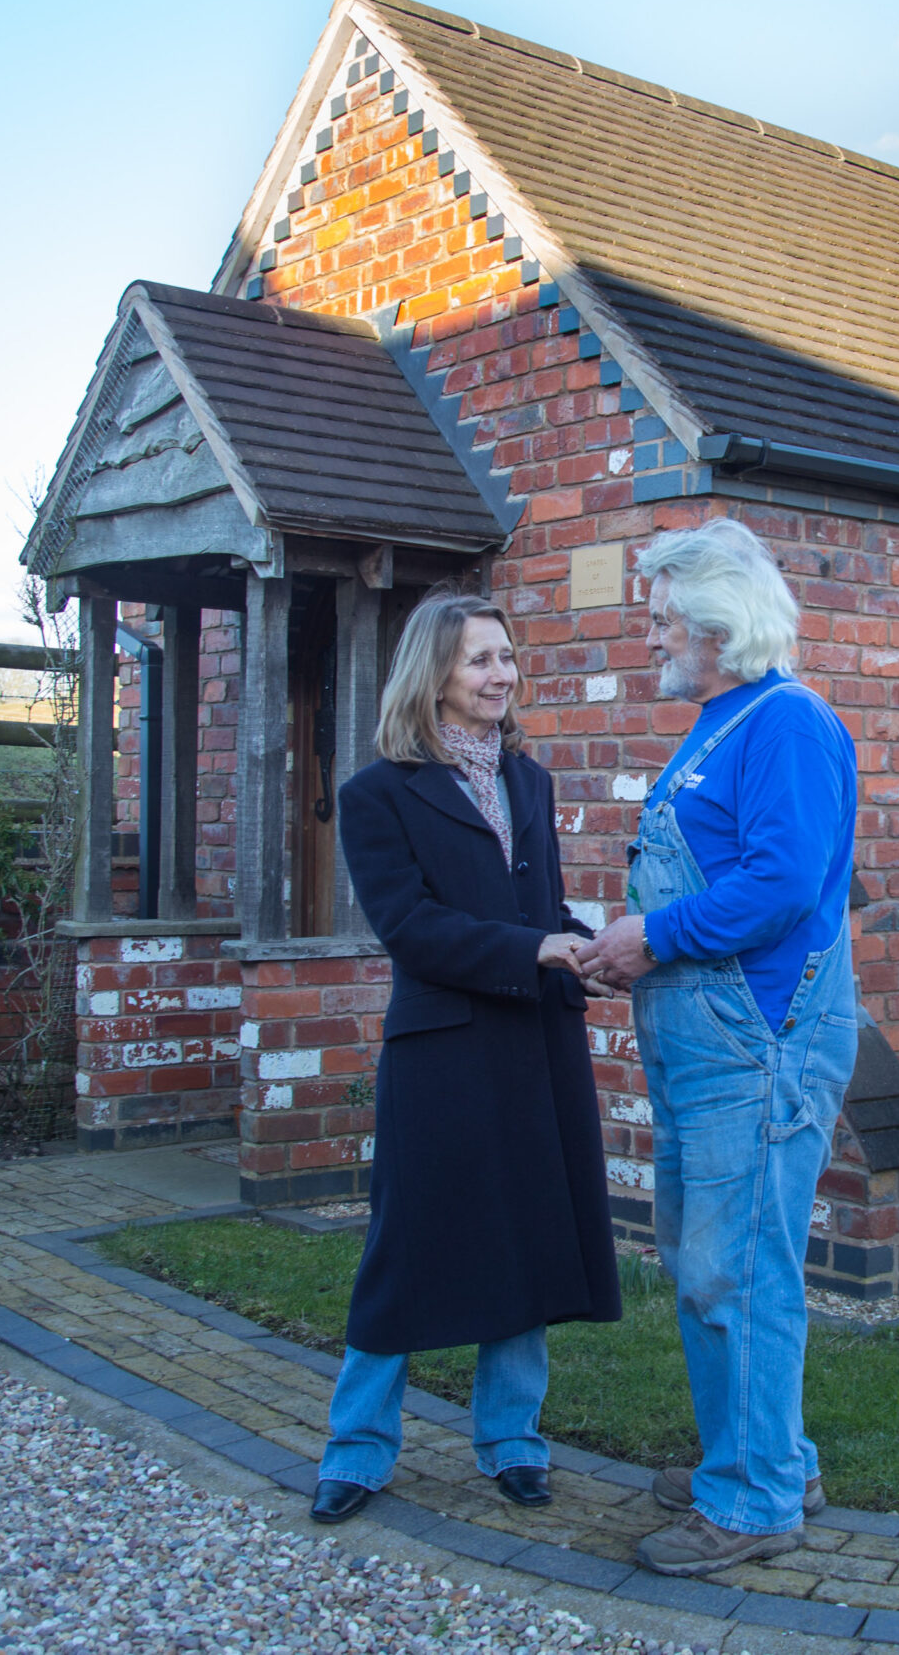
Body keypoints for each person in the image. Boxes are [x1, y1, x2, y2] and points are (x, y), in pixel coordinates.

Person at [578, 520, 860, 1576]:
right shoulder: (720, 723)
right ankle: (759, 1456)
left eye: (662, 616)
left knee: (739, 1270)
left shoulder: (784, 723)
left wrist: (649, 936)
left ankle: (751, 1503)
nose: (649, 631)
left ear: (716, 622)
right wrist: (620, 939)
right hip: (705, 1041)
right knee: (705, 1263)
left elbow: (784, 887)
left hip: (759, 1042)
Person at [309, 589, 622, 1525]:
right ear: (434, 675)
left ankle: (513, 1439)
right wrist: (535, 948)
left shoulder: (530, 780)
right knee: (405, 1249)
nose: (502, 675)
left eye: (507, 657)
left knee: (526, 1233)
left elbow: (540, 912)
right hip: (441, 1052)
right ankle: (357, 1448)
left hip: (535, 1039)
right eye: (480, 659)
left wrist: (593, 948)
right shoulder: (374, 793)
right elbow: (410, 927)